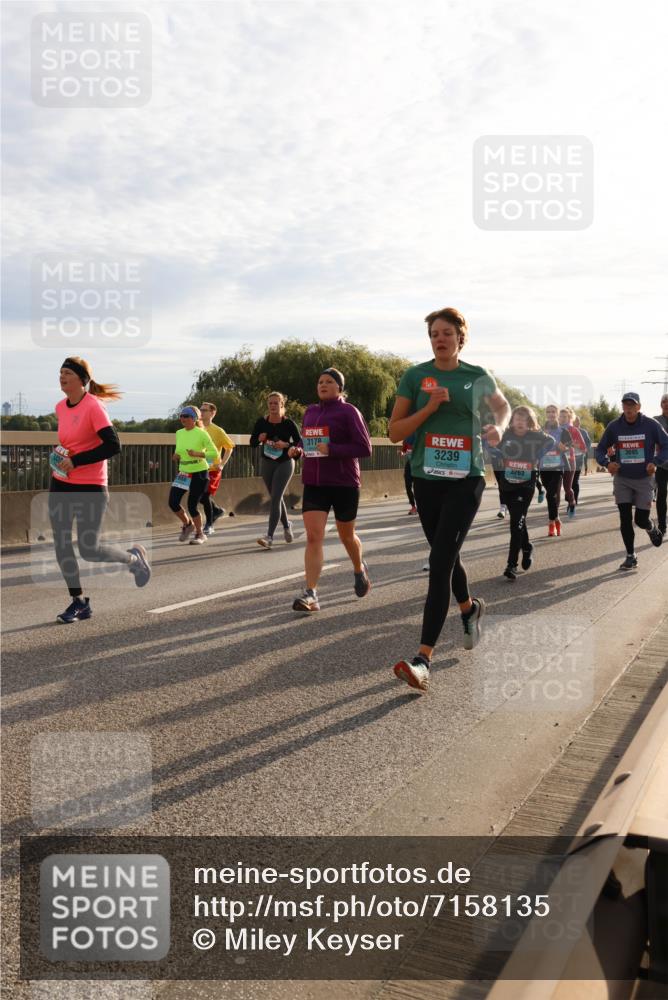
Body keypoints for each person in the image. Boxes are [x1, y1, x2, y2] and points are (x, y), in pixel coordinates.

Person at [388, 307, 511, 692]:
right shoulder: (415, 376)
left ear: (461, 337)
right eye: (433, 334)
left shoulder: (477, 376)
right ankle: (469, 608)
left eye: (446, 333)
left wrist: (498, 428)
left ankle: (423, 659)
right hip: (426, 478)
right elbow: (394, 432)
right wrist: (429, 407)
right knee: (447, 554)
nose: (439, 339)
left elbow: (503, 407)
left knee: (439, 561)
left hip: (466, 478)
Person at [49, 357, 151, 623]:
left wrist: (77, 460)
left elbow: (113, 445)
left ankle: (133, 559)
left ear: (82, 380)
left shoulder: (94, 407)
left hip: (91, 486)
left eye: (67, 373)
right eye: (60, 372)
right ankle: (79, 602)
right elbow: (73, 442)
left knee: (88, 548)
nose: (62, 377)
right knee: (61, 542)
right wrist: (61, 455)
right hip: (61, 482)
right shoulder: (61, 407)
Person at [288, 368, 372, 612]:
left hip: (344, 483)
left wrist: (332, 449)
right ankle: (311, 594)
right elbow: (307, 440)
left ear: (339, 388)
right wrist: (299, 449)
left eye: (329, 381)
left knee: (347, 536)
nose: (323, 385)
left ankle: (359, 568)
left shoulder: (349, 411)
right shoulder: (311, 411)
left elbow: (364, 448)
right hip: (315, 483)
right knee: (314, 537)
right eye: (320, 381)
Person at [594, 391, 668, 569]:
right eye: (625, 405)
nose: (628, 408)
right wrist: (606, 463)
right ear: (623, 407)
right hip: (622, 478)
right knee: (624, 518)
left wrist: (656, 462)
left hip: (644, 478)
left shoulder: (651, 425)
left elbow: (666, 445)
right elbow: (600, 448)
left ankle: (651, 527)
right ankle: (631, 555)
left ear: (639, 407)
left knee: (640, 519)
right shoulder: (614, 426)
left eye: (632, 405)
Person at [487, 406, 560, 580]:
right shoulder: (506, 435)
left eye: (524, 419)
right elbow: (490, 447)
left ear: (530, 422)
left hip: (526, 485)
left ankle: (511, 564)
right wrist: (498, 454)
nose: (520, 422)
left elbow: (551, 441)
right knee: (518, 520)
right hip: (507, 485)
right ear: (512, 421)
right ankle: (527, 547)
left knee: (515, 524)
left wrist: (537, 456)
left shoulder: (535, 435)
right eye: (517, 419)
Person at [250, 391, 302, 548]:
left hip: (285, 462)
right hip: (267, 462)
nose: (273, 406)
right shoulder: (261, 422)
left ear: (281, 405)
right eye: (270, 403)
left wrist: (286, 445)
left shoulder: (289, 424)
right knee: (276, 497)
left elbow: (300, 444)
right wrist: (258, 439)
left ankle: (269, 536)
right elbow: (252, 442)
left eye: (276, 403)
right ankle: (287, 526)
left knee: (275, 497)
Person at [169, 406, 217, 545]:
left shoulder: (202, 433)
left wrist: (198, 454)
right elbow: (179, 450)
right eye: (181, 416)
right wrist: (176, 455)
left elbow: (214, 453)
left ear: (194, 419)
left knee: (192, 505)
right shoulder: (179, 433)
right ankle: (187, 524)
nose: (182, 418)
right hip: (184, 472)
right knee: (173, 502)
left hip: (199, 472)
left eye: (186, 416)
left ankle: (200, 534)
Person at [198, 402, 234, 535]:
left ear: (212, 413)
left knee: (205, 494)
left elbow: (229, 447)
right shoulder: (197, 428)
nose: (201, 412)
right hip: (199, 468)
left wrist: (222, 464)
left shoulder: (218, 431)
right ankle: (217, 510)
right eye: (200, 409)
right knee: (199, 497)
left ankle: (209, 524)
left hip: (213, 469)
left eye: (204, 410)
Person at [539, 404, 573, 536]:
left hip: (558, 467)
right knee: (550, 495)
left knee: (550, 494)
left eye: (553, 412)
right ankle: (557, 518)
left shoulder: (563, 432)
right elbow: (535, 447)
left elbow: (569, 446)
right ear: (546, 414)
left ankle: (551, 522)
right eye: (548, 412)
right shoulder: (541, 430)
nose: (551, 414)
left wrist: (562, 446)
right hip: (544, 467)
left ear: (557, 414)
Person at [558, 407, 586, 518]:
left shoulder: (574, 430)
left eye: (565, 417)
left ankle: (572, 502)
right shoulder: (556, 430)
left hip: (570, 461)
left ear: (570, 418)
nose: (562, 419)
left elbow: (583, 447)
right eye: (560, 416)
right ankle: (554, 515)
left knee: (567, 488)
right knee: (556, 489)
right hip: (556, 463)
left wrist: (573, 445)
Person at [653, 393, 668, 536]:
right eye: (664, 401)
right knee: (662, 494)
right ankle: (662, 526)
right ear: (661, 404)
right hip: (662, 464)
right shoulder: (655, 421)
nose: (666, 404)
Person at [572, 414, 591, 505]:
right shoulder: (567, 431)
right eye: (574, 421)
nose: (576, 423)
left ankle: (574, 500)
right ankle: (570, 496)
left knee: (575, 480)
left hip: (579, 457)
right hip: (567, 458)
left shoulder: (583, 432)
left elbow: (588, 443)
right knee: (568, 481)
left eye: (577, 421)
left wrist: (583, 449)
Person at [400, 434, 418, 514]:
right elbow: (404, 450)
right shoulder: (406, 439)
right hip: (409, 465)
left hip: (419, 465)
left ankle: (420, 506)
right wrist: (402, 453)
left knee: (418, 487)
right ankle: (413, 507)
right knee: (408, 486)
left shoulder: (420, 436)